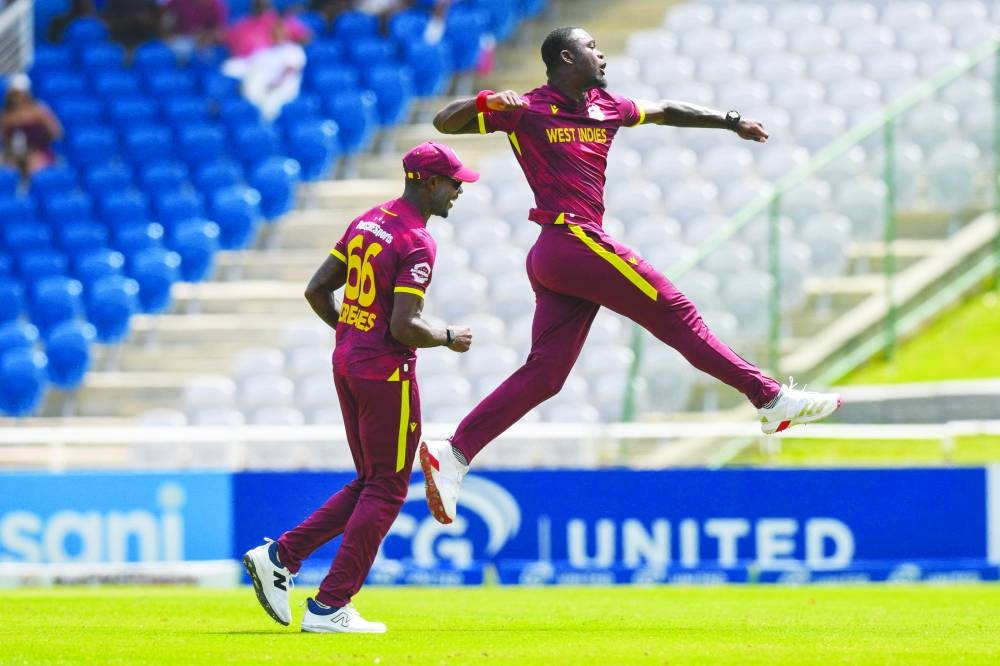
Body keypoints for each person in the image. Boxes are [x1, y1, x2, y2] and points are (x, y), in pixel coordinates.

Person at [419, 26, 843, 525]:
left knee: (546, 375)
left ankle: (455, 452)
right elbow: (445, 124)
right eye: (590, 46)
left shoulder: (608, 106)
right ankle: (768, 396)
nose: (600, 53)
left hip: (563, 256)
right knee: (678, 311)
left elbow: (665, 109)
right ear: (564, 57)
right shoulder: (525, 109)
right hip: (571, 239)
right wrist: (486, 98)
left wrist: (730, 121)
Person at [242, 141, 477, 633]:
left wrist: (354, 338)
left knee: (371, 483)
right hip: (386, 374)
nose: (458, 190)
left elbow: (316, 290)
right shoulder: (416, 241)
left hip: (348, 364)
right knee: (389, 489)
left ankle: (281, 557)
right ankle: (330, 606)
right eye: (453, 182)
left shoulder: (368, 220)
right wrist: (450, 336)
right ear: (428, 182)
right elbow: (404, 327)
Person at [222, 0, 313, 120]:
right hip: (255, 70)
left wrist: (275, 83)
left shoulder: (288, 41)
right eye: (257, 3)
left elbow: (305, 39)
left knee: (269, 103)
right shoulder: (245, 26)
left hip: (280, 87)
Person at [1, 74, 63, 180]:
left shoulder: (39, 110)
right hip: (13, 154)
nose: (18, 97)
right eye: (15, 94)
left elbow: (56, 132)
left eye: (20, 94)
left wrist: (39, 139)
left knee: (35, 166)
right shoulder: (6, 116)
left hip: (38, 151)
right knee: (8, 170)